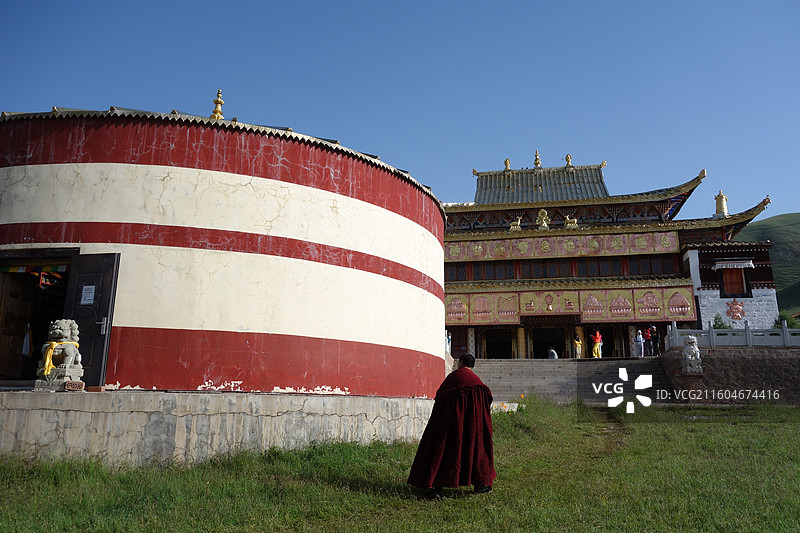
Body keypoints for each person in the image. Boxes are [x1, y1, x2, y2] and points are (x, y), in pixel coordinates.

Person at [408, 353, 496, 499]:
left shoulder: (453, 379)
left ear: (460, 363)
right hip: (472, 428)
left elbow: (440, 401)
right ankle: (481, 484)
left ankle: (435, 488)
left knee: (443, 449)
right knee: (475, 450)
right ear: (472, 366)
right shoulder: (479, 384)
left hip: (451, 425)